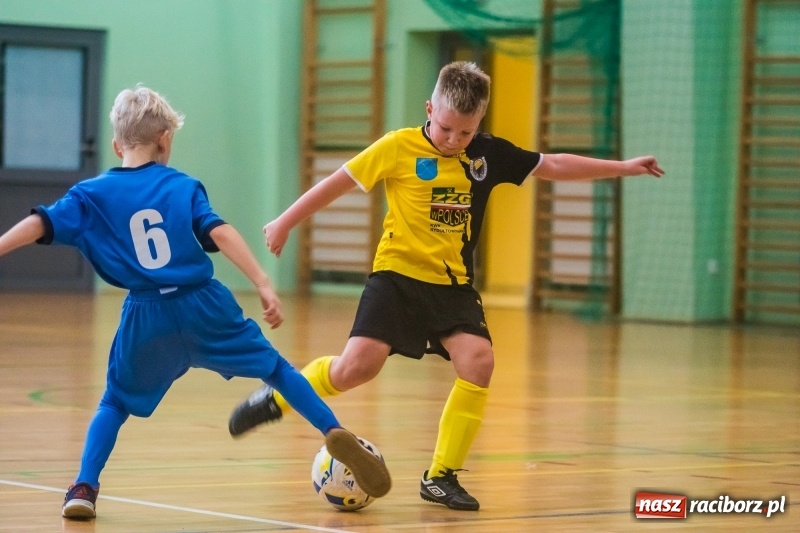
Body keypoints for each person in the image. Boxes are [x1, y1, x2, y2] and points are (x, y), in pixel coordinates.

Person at [228, 61, 664, 511]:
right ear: (429, 109)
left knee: (479, 361)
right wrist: (284, 222)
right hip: (395, 279)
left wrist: (625, 167)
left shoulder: (487, 155)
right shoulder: (397, 147)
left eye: (467, 132)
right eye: (447, 128)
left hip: (452, 286)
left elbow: (551, 163)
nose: (455, 140)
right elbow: (338, 184)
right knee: (355, 369)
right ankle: (279, 395)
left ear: (479, 125)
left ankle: (440, 476)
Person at [0, 86, 391, 520]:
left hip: (146, 315)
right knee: (276, 369)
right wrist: (262, 282)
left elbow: (40, 224)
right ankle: (332, 429)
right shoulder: (181, 186)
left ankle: (84, 487)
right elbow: (219, 233)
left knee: (114, 402)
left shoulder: (91, 194)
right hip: (204, 305)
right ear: (165, 139)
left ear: (116, 144)